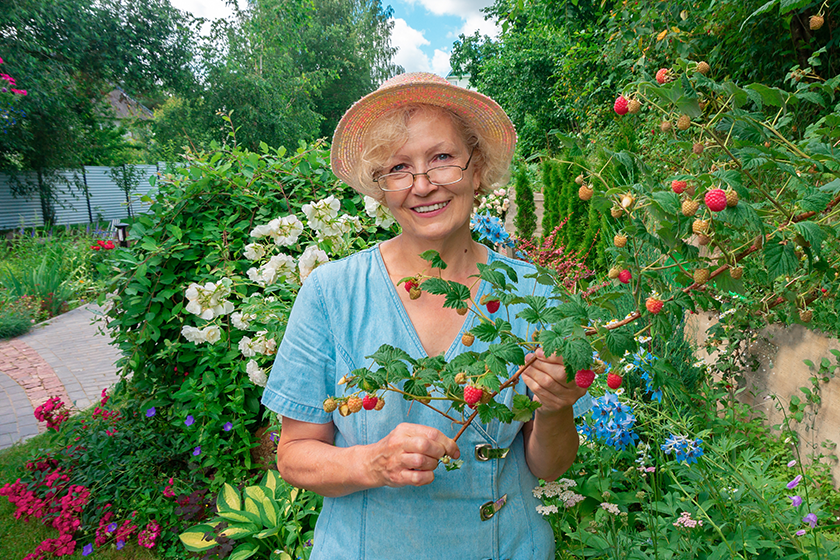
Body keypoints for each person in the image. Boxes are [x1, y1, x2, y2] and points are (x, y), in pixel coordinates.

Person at [261, 72, 591, 560]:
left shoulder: (533, 295)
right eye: (398, 167)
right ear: (381, 189)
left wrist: (555, 404)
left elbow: (550, 466)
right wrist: (371, 462)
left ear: (477, 170)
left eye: (442, 158)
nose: (422, 185)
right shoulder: (331, 294)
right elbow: (292, 455)